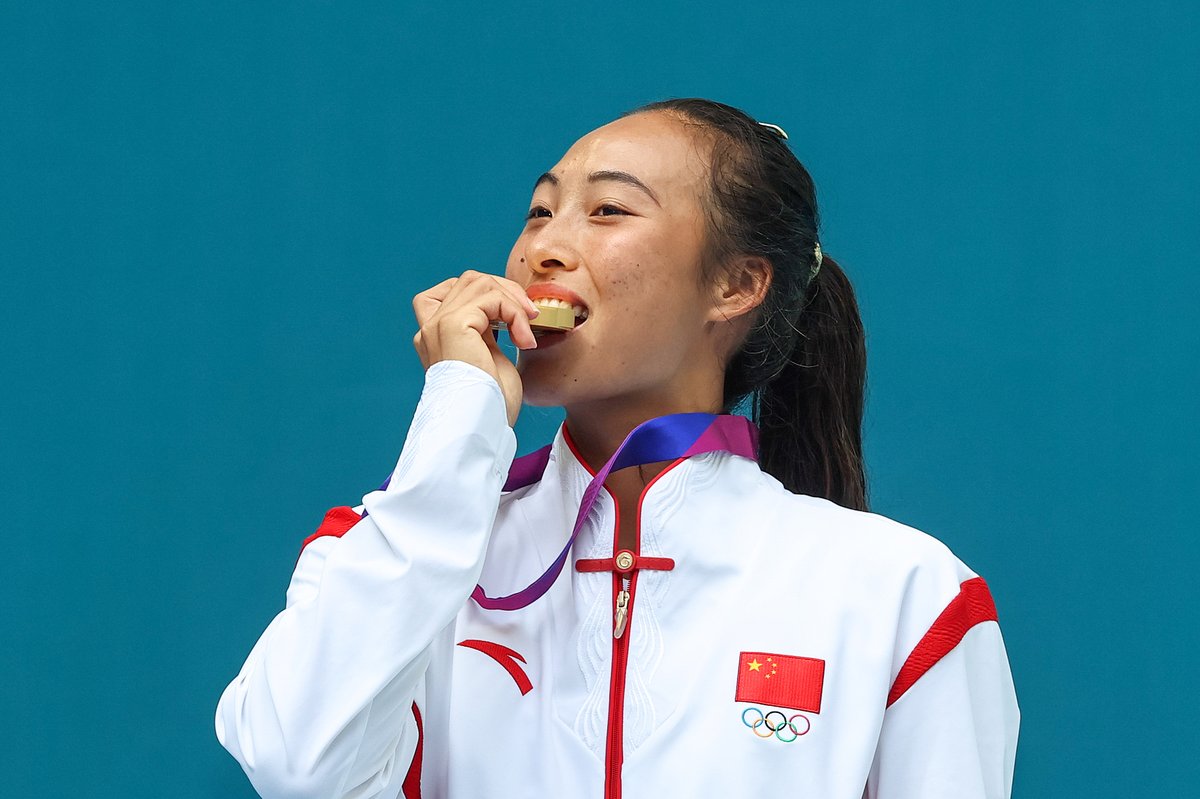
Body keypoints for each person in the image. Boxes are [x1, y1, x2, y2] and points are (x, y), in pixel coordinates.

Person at [215, 98, 1019, 799]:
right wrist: (458, 425)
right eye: (539, 212)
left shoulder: (908, 598)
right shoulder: (386, 553)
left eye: (607, 212)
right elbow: (299, 767)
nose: (543, 250)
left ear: (735, 285)